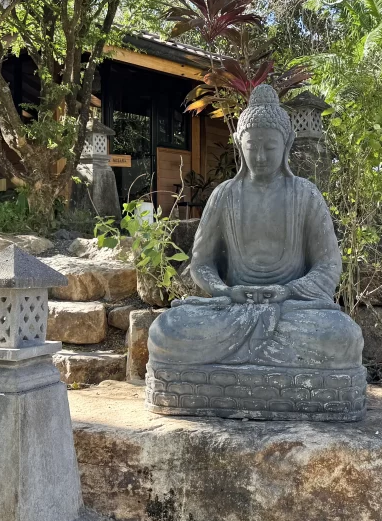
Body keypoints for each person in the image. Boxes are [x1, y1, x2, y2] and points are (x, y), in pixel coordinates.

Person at [145, 84, 365, 420]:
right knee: (166, 331)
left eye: (270, 147)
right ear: (239, 145)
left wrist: (286, 291)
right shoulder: (224, 195)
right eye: (253, 147)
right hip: (233, 308)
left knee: (343, 337)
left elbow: (328, 266)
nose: (260, 156)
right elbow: (201, 265)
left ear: (287, 145)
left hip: (292, 310)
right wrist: (227, 290)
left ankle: (232, 370)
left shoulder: (305, 194)